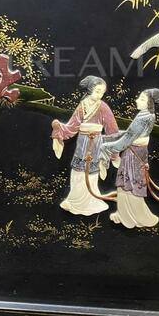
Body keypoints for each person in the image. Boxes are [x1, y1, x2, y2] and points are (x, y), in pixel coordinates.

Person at [51, 76, 119, 216]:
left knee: (91, 171)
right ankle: (73, 200)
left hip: (96, 142)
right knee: (78, 170)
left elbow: (112, 129)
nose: (100, 95)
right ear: (90, 90)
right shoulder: (83, 105)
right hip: (82, 142)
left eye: (102, 92)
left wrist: (113, 151)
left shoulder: (103, 106)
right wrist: (59, 128)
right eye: (97, 91)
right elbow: (72, 126)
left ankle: (89, 201)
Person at [100, 88, 159, 229]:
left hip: (132, 154)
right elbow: (129, 134)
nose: (137, 100)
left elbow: (126, 140)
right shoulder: (149, 115)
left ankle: (129, 216)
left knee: (128, 184)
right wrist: (109, 138)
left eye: (142, 99)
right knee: (132, 182)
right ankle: (125, 214)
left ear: (149, 103)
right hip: (139, 152)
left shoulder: (143, 118)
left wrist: (106, 147)